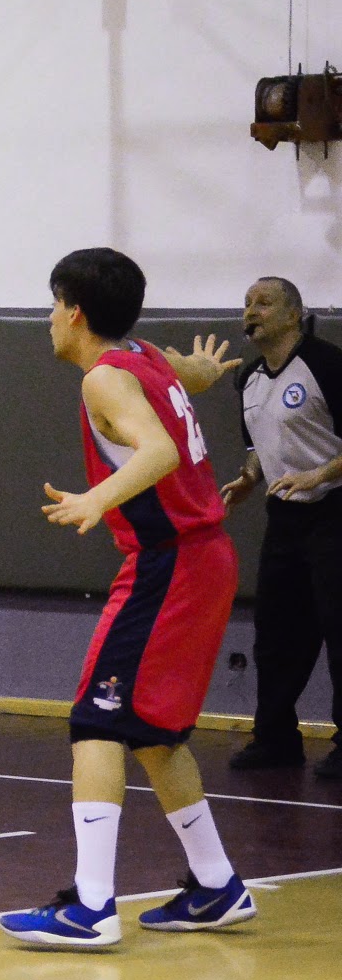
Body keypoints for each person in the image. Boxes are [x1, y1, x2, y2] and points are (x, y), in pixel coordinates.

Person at [0, 247, 255, 948]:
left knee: (97, 722)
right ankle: (216, 885)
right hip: (205, 561)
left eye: (55, 304)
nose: (50, 318)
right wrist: (198, 374)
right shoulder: (140, 356)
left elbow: (158, 452)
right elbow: (177, 381)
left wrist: (96, 499)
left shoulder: (105, 381)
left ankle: (90, 908)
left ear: (75, 311)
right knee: (152, 732)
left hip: (167, 564)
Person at [220, 277, 342, 779]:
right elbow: (257, 444)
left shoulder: (327, 365)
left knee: (339, 629)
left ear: (294, 314)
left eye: (264, 303)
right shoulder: (248, 378)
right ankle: (275, 738)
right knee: (274, 632)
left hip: (334, 511)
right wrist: (250, 478)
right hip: (285, 517)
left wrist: (321, 472)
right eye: (247, 303)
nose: (252, 311)